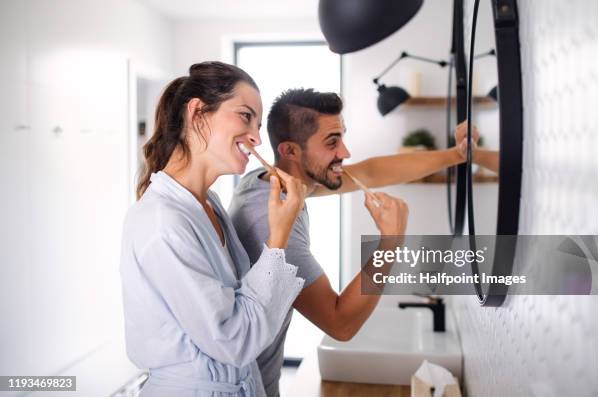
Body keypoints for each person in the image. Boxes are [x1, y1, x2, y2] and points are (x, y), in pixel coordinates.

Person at [228, 88, 467, 397]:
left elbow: (370, 171)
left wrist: (457, 155)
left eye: (341, 138)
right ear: (290, 151)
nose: (345, 152)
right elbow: (340, 323)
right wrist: (390, 243)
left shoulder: (273, 180)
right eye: (332, 142)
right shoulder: (267, 220)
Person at [119, 62, 309, 397]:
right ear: (197, 113)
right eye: (245, 115)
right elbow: (234, 340)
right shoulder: (163, 220)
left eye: (259, 123)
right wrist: (278, 238)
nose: (256, 137)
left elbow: (240, 309)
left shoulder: (210, 205)